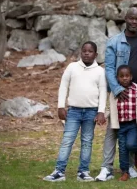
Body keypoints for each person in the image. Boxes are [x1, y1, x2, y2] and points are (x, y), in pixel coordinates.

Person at [95, 7, 137, 181]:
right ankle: (106, 168)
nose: (134, 22)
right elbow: (110, 68)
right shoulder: (114, 42)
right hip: (118, 95)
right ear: (125, 19)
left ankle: (131, 167)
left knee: (134, 130)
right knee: (113, 131)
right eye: (131, 18)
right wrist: (118, 90)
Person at [43, 41, 107, 182]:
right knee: (67, 140)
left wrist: (101, 112)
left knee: (86, 141)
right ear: (80, 52)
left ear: (95, 54)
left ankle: (83, 172)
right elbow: (63, 86)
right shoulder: (72, 67)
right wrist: (61, 106)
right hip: (73, 111)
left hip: (91, 112)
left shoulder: (100, 72)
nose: (86, 53)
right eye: (84, 50)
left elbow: (103, 92)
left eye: (90, 51)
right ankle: (59, 172)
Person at [108, 65, 137, 181]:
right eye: (121, 76)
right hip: (121, 125)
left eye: (127, 76)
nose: (125, 78)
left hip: (133, 124)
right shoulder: (115, 92)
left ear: (131, 76)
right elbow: (110, 107)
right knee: (122, 149)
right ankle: (125, 172)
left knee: (131, 145)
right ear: (117, 78)